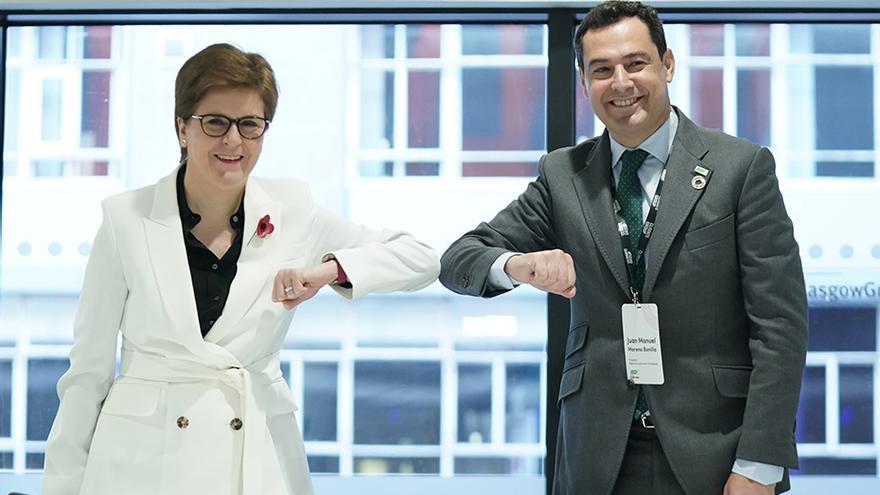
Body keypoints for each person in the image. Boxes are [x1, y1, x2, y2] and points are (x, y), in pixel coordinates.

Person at [439, 2, 807, 494]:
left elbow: (780, 327)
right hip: (597, 456)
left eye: (636, 63)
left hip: (716, 455)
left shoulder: (740, 169)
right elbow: (459, 259)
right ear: (584, 82)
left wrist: (758, 465)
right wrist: (517, 264)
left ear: (667, 64)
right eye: (602, 70)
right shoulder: (563, 176)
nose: (621, 82)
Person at [42, 43, 440, 495]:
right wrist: (60, 487)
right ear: (182, 129)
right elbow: (87, 374)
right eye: (215, 122)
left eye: (250, 125)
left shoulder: (294, 209)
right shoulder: (125, 220)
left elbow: (422, 257)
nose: (233, 140)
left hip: (254, 455)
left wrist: (330, 270)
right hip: (139, 462)